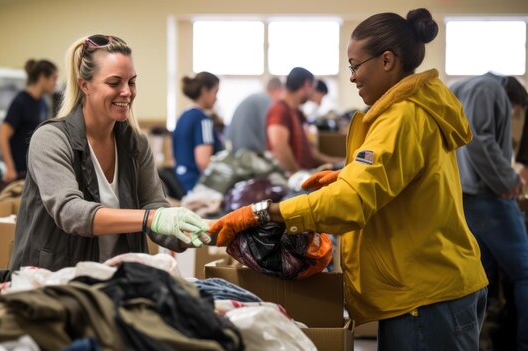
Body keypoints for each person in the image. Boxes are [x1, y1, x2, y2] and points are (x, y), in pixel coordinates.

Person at [209, 8, 488, 351]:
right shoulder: (416, 108)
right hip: (430, 285)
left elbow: (351, 202)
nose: (353, 77)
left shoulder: (402, 117)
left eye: (356, 66)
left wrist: (263, 212)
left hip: (426, 297)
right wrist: (350, 173)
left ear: (387, 60)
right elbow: (411, 176)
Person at [9, 34, 210, 272]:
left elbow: (154, 205)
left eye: (132, 82)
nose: (127, 92)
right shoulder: (51, 139)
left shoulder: (135, 144)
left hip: (117, 281)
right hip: (54, 283)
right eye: (114, 83)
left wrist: (189, 231)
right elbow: (70, 212)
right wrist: (151, 219)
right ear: (85, 85)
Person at [451, 73, 528, 350]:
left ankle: (480, 341)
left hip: (463, 195)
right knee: (525, 272)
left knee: (482, 276)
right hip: (486, 195)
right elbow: (480, 139)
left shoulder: (461, 85)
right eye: (515, 111)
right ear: (513, 100)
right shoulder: (489, 87)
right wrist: (508, 179)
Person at [265, 67, 341, 173]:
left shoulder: (297, 113)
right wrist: (297, 175)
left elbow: (310, 151)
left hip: (303, 176)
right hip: (290, 181)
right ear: (306, 85)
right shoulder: (279, 110)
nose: (313, 93)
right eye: (313, 88)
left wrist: (336, 162)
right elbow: (279, 148)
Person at [0, 59, 58, 182]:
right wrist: (10, 168)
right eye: (54, 78)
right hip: (18, 171)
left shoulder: (43, 103)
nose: (55, 83)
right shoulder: (21, 101)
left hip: (32, 170)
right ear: (42, 77)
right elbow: (2, 136)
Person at [172, 71, 223, 192]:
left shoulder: (183, 116)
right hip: (195, 186)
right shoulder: (203, 119)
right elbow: (204, 162)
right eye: (215, 92)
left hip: (179, 181)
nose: (216, 98)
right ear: (204, 91)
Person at [226, 77, 283, 153]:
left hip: (235, 149)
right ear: (278, 90)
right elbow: (270, 132)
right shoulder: (267, 101)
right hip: (248, 153)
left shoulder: (256, 98)